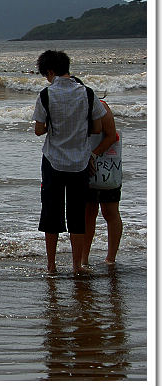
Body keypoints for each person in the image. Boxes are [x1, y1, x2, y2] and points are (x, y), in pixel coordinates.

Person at [32, 50, 105, 275]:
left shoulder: (45, 95)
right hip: (80, 162)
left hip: (53, 160)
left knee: (51, 214)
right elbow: (97, 128)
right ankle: (76, 266)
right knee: (77, 216)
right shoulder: (88, 94)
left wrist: (52, 128)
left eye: (46, 74)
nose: (46, 78)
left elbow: (38, 130)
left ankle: (51, 266)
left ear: (51, 72)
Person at [82, 99, 123, 266]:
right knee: (88, 212)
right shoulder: (76, 106)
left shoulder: (100, 106)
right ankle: (84, 259)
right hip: (86, 164)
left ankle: (110, 259)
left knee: (110, 211)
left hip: (106, 164)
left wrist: (93, 155)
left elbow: (112, 136)